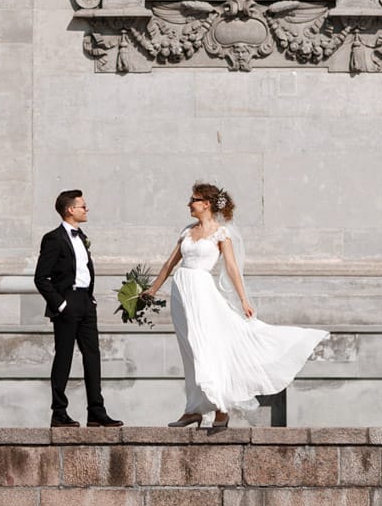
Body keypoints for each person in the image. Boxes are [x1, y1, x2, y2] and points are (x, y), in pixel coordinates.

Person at [144, 182, 328, 433]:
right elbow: (169, 264)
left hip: (202, 292)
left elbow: (231, 268)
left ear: (206, 204)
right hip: (181, 293)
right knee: (189, 349)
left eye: (194, 200)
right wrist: (152, 290)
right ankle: (193, 408)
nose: (189, 204)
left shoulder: (221, 234)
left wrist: (243, 300)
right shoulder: (187, 231)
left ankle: (221, 406)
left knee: (207, 347)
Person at [33, 188, 123, 428]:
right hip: (67, 302)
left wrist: (90, 299)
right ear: (70, 210)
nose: (87, 209)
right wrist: (61, 304)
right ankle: (59, 413)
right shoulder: (53, 238)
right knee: (64, 357)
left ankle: (96, 411)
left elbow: (84, 270)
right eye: (83, 206)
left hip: (86, 302)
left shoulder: (82, 237)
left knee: (93, 356)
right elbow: (41, 278)